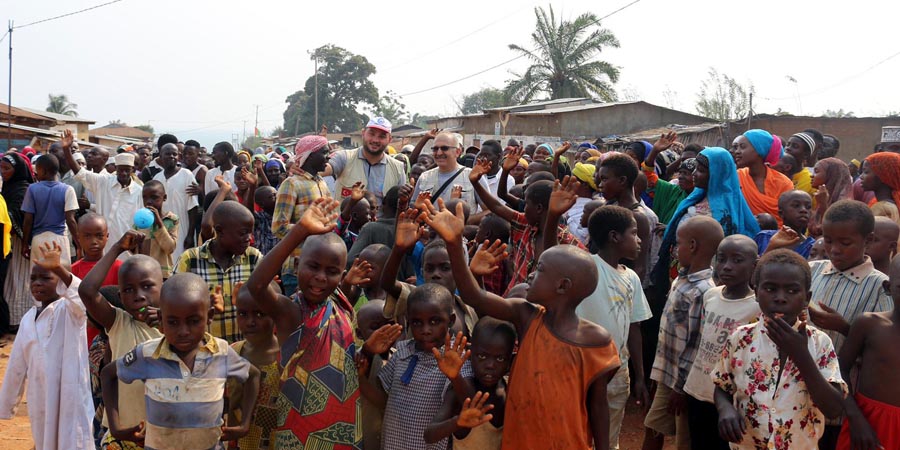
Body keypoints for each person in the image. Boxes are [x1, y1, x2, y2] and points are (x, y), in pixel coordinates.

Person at [422, 198, 620, 450]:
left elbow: (598, 404)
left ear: (562, 286)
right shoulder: (527, 316)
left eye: (540, 270)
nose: (531, 274)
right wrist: (453, 244)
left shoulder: (597, 341)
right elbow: (475, 296)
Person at [244, 197, 398, 449]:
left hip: (343, 427)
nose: (320, 277)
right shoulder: (291, 312)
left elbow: (338, 359)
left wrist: (366, 350)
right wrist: (299, 232)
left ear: (341, 274)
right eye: (313, 266)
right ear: (296, 265)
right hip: (300, 433)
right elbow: (257, 286)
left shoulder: (339, 303)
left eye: (331, 271)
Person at [101, 273, 261, 449]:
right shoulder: (147, 354)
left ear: (209, 316)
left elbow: (253, 375)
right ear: (161, 319)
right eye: (173, 322)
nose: (183, 331)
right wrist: (115, 428)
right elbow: (108, 374)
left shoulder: (221, 352)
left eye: (193, 321)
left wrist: (245, 424)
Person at [712, 249, 847, 449]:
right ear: (756, 292)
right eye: (770, 289)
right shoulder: (741, 338)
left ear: (806, 297)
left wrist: (801, 355)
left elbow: (834, 408)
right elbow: (722, 386)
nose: (780, 298)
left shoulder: (819, 343)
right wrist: (725, 410)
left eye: (792, 291)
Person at [554, 198, 652, 450]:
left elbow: (634, 328)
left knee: (608, 437)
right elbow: (552, 257)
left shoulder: (631, 278)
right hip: (580, 370)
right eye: (634, 234)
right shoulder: (587, 269)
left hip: (618, 372)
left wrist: (640, 376)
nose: (639, 240)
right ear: (614, 237)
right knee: (576, 431)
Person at [0, 242, 94, 449]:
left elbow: (83, 299)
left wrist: (59, 268)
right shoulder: (27, 320)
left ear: (61, 283)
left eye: (46, 277)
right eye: (33, 279)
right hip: (40, 398)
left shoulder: (70, 312)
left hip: (71, 397)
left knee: (73, 440)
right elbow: (16, 365)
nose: (37, 283)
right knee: (44, 441)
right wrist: (6, 405)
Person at [358, 285, 474, 450]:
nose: (425, 330)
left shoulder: (456, 357)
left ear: (451, 320)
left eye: (435, 321)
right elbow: (385, 401)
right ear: (408, 321)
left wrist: (454, 376)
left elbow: (468, 401)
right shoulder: (403, 352)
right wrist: (361, 379)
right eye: (417, 322)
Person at [643, 216, 723, 450]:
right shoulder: (682, 278)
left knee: (684, 439)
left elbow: (695, 344)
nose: (675, 249)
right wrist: (658, 375)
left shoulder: (704, 290)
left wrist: (680, 389)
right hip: (667, 374)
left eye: (678, 243)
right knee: (653, 426)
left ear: (693, 246)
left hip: (684, 382)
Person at [78, 231, 164, 449]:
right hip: (124, 435)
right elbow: (87, 291)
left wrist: (166, 319)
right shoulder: (119, 322)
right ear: (120, 296)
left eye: (147, 286)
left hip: (167, 434)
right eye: (128, 290)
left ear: (163, 286)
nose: (138, 295)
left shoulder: (176, 325)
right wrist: (117, 247)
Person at [682, 235, 759, 450]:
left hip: (730, 399)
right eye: (721, 259)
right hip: (698, 389)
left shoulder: (757, 306)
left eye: (737, 260)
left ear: (754, 265)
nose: (726, 266)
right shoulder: (711, 295)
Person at [470, 156, 583, 295]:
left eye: (526, 203)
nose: (523, 207)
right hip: (512, 302)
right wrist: (475, 182)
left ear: (539, 208)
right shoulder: (524, 225)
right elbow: (497, 206)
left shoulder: (569, 244)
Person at [652, 147, 759, 294]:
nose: (694, 174)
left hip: (706, 281)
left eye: (701, 170)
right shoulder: (693, 199)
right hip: (680, 273)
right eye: (695, 169)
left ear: (717, 174)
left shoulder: (725, 210)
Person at [381, 209, 478, 338]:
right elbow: (388, 284)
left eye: (445, 268)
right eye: (429, 269)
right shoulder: (415, 297)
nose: (436, 274)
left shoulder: (467, 309)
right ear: (422, 272)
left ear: (458, 271)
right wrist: (399, 249)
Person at [836, 254, 900, 450]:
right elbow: (839, 370)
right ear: (888, 288)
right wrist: (855, 418)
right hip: (869, 424)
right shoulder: (870, 324)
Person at [175, 201, 262, 343]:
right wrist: (204, 304)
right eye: (243, 233)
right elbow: (174, 301)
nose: (249, 239)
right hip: (206, 349)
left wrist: (245, 300)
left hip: (245, 349)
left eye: (250, 232)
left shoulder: (253, 258)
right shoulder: (191, 260)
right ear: (220, 231)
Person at [425, 317, 515, 450]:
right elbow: (429, 435)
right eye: (482, 356)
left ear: (509, 362)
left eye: (500, 358)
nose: (490, 365)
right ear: (470, 355)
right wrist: (457, 422)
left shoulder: (511, 389)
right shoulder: (459, 390)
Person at [62, 130, 143, 254]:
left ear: (132, 169)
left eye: (127, 170)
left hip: (124, 249)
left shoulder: (138, 192)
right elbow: (80, 172)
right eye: (121, 170)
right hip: (100, 247)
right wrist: (67, 150)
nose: (123, 174)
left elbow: (140, 223)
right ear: (116, 168)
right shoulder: (103, 181)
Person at [271, 135, 332, 296]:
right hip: (297, 268)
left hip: (320, 264)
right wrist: (309, 228)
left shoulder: (321, 183)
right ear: (310, 156)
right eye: (325, 152)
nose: (329, 156)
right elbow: (279, 227)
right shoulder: (291, 184)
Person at [225, 286, 281, 450]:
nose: (250, 322)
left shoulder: (286, 360)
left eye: (260, 314)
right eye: (243, 314)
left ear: (276, 314)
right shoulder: (233, 352)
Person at [598, 153, 659, 282]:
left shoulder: (638, 217)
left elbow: (640, 266)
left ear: (622, 180)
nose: (600, 185)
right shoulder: (608, 207)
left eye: (604, 179)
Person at [322, 117, 407, 206]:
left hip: (379, 220)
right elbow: (323, 170)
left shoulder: (398, 168)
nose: (375, 140)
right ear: (363, 133)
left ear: (389, 139)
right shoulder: (344, 157)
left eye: (382, 136)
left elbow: (400, 204)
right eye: (371, 134)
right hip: (344, 219)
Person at [411, 132, 490, 212]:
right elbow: (413, 209)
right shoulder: (424, 177)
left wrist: (464, 220)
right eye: (435, 149)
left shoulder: (473, 177)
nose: (439, 153)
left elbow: (489, 211)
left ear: (458, 152)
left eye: (444, 148)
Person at [21, 154, 78, 264]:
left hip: (38, 240)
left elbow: (28, 220)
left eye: (37, 170)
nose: (36, 173)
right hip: (60, 239)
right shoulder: (68, 189)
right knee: (62, 277)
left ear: (44, 171)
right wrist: (79, 245)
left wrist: (24, 244)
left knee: (39, 277)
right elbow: (71, 220)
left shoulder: (32, 189)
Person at [354, 300, 393, 450]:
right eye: (375, 327)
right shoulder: (355, 359)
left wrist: (361, 380)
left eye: (389, 324)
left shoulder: (399, 358)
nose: (383, 332)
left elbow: (385, 403)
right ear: (359, 333)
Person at [1, 152, 34, 330]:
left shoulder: (23, 189)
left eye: (7, 168)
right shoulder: (7, 187)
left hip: (20, 242)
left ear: (18, 170)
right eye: (2, 168)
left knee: (19, 283)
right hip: (7, 242)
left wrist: (5, 219)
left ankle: (19, 320)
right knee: (9, 283)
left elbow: (20, 217)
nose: (3, 172)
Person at [734, 129, 794, 224]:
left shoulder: (783, 183)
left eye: (742, 147)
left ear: (759, 149)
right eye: (736, 147)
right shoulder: (735, 178)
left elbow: (789, 217)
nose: (737, 151)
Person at [152, 143, 199, 258]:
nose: (172, 156)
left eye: (175, 154)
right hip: (161, 229)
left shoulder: (186, 175)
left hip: (182, 229)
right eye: (168, 154)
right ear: (161, 156)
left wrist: (190, 234)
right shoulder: (157, 178)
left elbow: (193, 207)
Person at [754, 190, 816, 257]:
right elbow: (752, 265)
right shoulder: (763, 237)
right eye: (796, 205)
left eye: (808, 207)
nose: (803, 210)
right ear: (781, 213)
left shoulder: (812, 247)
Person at [138, 180, 178, 278]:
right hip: (144, 271)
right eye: (145, 197)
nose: (148, 201)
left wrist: (159, 223)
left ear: (164, 198)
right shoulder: (140, 219)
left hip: (163, 273)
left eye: (154, 197)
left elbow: (170, 248)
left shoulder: (171, 219)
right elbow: (135, 250)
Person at [811, 157, 853, 234]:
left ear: (832, 175)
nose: (812, 175)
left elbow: (835, 230)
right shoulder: (821, 196)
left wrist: (823, 204)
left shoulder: (845, 204)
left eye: (816, 172)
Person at [861, 151, 900, 224]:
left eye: (866, 172)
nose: (861, 176)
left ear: (883, 176)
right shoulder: (887, 204)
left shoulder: (883, 210)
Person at [565, 162, 599, 245]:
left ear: (585, 185)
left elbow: (581, 239)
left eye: (573, 180)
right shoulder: (570, 201)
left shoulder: (590, 209)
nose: (569, 182)